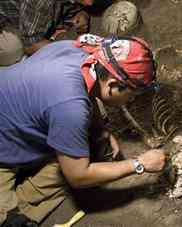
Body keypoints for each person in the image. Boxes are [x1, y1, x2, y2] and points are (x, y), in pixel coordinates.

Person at [0, 33, 166, 227]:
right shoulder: (70, 107)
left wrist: (100, 129)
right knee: (17, 220)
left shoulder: (78, 50)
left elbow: (88, 89)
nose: (130, 101)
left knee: (91, 149)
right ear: (112, 85)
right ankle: (12, 208)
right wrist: (140, 164)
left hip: (11, 123)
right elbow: (78, 177)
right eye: (131, 96)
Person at [0, 0, 93, 66]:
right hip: (6, 19)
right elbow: (30, 45)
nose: (90, 3)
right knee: (13, 50)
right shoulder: (40, 2)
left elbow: (67, 6)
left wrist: (82, 14)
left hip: (31, 13)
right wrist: (73, 50)